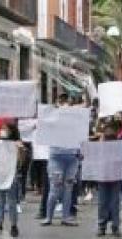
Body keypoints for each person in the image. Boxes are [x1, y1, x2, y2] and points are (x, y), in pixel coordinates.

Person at [41, 95, 80, 227]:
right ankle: (48, 217)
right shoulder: (52, 120)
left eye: (67, 103)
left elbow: (81, 135)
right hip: (56, 157)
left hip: (72, 158)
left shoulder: (75, 121)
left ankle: (65, 217)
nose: (65, 105)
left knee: (68, 188)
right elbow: (43, 126)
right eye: (62, 103)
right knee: (55, 187)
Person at [0, 121, 24, 237]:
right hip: (0, 174)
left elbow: (20, 163)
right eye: (2, 129)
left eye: (5, 129)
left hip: (11, 174)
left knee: (12, 201)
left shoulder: (17, 144)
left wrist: (20, 150)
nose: (3, 131)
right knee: (0, 200)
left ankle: (13, 225)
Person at [96, 120, 121, 237]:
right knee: (103, 203)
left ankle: (114, 226)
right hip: (103, 176)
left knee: (114, 203)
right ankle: (102, 225)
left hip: (114, 177)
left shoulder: (119, 145)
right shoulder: (100, 144)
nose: (109, 132)